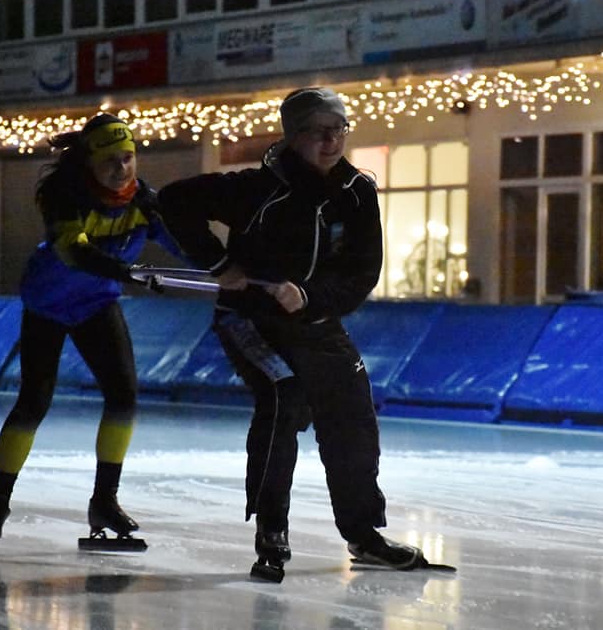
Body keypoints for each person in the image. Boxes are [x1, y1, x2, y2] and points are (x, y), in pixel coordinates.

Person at [156, 87, 428, 577]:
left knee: (352, 411)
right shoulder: (256, 189)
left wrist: (310, 297)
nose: (331, 141)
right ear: (292, 135)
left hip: (315, 320)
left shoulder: (356, 193)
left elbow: (362, 272)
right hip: (250, 318)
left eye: (338, 129)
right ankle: (271, 529)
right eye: (318, 131)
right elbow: (174, 201)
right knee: (285, 396)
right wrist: (221, 264)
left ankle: (364, 533)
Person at [0, 113, 182, 555]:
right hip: (48, 303)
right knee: (34, 402)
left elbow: (183, 243)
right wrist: (127, 272)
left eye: (128, 158)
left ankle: (105, 501)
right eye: (110, 161)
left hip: (95, 304)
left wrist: (228, 266)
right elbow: (75, 252)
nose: (121, 169)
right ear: (89, 163)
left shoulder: (145, 202)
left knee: (124, 397)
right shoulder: (66, 197)